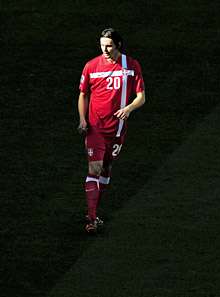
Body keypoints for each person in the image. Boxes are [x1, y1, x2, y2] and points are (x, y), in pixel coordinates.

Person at [77, 28, 145, 234]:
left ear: (118, 45)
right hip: (95, 128)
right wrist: (82, 119)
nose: (105, 50)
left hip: (117, 130)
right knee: (94, 169)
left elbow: (141, 96)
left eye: (109, 46)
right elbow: (83, 94)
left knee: (106, 168)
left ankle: (95, 211)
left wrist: (128, 108)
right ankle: (91, 216)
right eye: (102, 46)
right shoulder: (91, 66)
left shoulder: (131, 66)